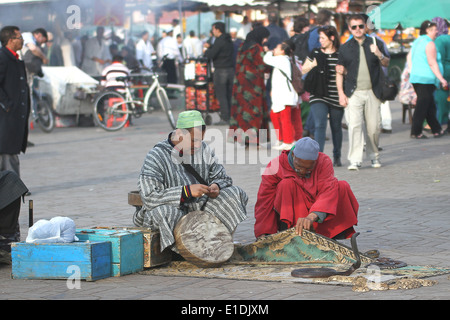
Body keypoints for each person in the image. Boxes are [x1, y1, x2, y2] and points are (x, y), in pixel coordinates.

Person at [133, 110, 248, 252]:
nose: (198, 145)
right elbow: (149, 197)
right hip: (174, 212)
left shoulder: (203, 149)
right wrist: (186, 191)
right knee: (163, 212)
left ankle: (214, 242)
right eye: (194, 140)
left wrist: (215, 186)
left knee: (235, 193)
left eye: (201, 140)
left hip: (200, 210)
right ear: (179, 135)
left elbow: (223, 177)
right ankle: (183, 251)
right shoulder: (156, 155)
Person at [254, 137, 359, 240]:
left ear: (315, 161)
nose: (303, 172)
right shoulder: (274, 165)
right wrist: (263, 233)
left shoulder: (324, 161)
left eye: (308, 169)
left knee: (341, 186)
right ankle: (292, 233)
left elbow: (327, 191)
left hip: (316, 212)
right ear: (293, 154)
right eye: (299, 167)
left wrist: (311, 217)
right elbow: (264, 200)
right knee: (286, 184)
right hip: (290, 211)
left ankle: (326, 235)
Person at [336, 14, 390, 170]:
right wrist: (341, 94)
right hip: (353, 93)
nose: (358, 29)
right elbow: (339, 71)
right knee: (354, 126)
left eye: (360, 26)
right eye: (354, 27)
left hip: (373, 91)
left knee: (374, 127)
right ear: (349, 29)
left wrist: (378, 54)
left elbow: (386, 62)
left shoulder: (376, 42)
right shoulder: (345, 48)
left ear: (365, 26)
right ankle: (355, 159)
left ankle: (374, 156)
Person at [302, 26, 343, 167]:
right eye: (320, 38)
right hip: (318, 94)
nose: (320, 41)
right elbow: (303, 69)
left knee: (336, 126)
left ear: (332, 38)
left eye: (323, 38)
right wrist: (312, 65)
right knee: (320, 124)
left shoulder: (341, 53)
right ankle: (318, 159)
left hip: (336, 95)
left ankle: (337, 155)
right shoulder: (315, 52)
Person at [228, 27, 271, 146]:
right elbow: (264, 65)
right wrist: (268, 54)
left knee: (241, 111)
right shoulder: (257, 48)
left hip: (240, 84)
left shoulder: (242, 46)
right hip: (253, 85)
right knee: (254, 112)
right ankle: (253, 139)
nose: (266, 40)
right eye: (265, 37)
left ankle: (243, 139)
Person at [408, 20, 447, 139]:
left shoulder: (417, 41)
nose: (437, 32)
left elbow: (409, 56)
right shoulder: (430, 43)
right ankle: (416, 132)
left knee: (429, 105)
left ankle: (436, 130)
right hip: (426, 79)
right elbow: (432, 62)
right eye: (435, 30)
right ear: (428, 31)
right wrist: (441, 79)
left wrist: (412, 70)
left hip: (417, 77)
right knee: (422, 106)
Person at [0, 26, 30, 178]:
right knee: (7, 151)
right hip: (6, 116)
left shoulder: (15, 59)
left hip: (14, 115)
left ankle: (13, 186)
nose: (22, 41)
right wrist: (7, 105)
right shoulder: (3, 58)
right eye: (19, 38)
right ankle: (12, 188)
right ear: (10, 40)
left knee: (10, 151)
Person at [263, 40, 300, 150]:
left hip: (285, 96)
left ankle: (288, 141)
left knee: (285, 119)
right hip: (280, 95)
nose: (274, 49)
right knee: (276, 116)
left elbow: (266, 59)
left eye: (277, 48)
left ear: (283, 51)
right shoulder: (284, 60)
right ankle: (282, 139)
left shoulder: (281, 59)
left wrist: (268, 51)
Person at [203, 22, 234, 125]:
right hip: (230, 70)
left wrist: (206, 50)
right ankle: (230, 116)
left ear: (217, 30)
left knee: (222, 95)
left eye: (213, 29)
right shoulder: (228, 40)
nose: (213, 32)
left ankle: (225, 117)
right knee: (228, 95)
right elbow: (220, 49)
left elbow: (212, 54)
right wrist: (212, 45)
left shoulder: (219, 40)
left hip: (221, 71)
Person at [433, 17, 450, 132]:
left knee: (441, 97)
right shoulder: (447, 38)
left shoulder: (439, 40)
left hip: (443, 72)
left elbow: (438, 59)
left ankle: (441, 122)